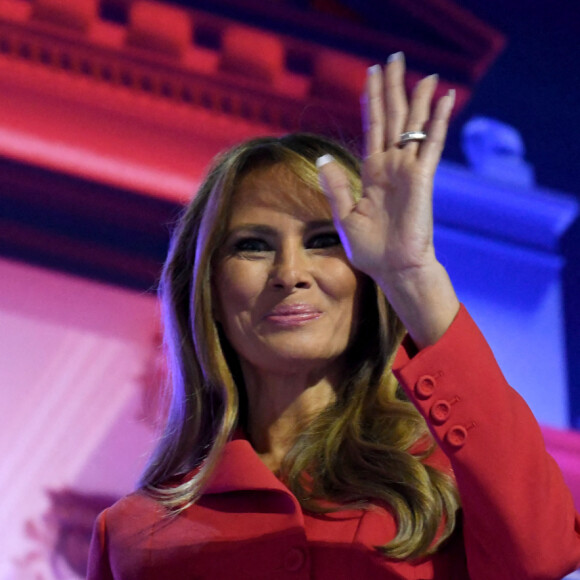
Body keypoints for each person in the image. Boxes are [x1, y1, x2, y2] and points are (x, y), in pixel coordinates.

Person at [87, 53, 580, 579]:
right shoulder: (132, 534)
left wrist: (411, 274)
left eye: (326, 241)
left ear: (367, 283)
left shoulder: (447, 486)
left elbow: (545, 550)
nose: (291, 273)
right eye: (253, 246)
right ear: (207, 288)